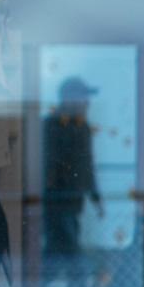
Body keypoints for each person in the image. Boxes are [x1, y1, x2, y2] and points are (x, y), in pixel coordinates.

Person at [41, 76, 102, 257]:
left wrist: (95, 197)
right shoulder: (51, 125)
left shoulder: (82, 126)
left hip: (74, 202)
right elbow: (49, 165)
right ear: (69, 99)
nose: (87, 102)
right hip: (56, 201)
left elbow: (87, 163)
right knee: (64, 247)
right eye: (83, 97)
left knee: (66, 245)